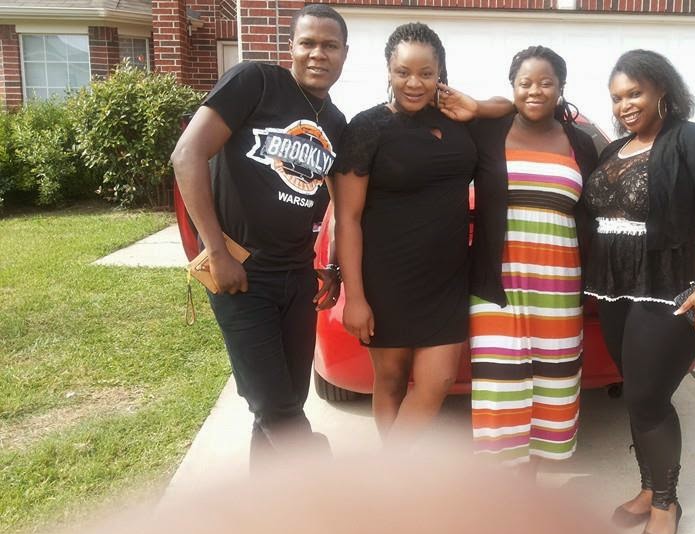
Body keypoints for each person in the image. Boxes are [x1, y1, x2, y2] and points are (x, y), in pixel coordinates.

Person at [171, 4, 348, 468]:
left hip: (298, 278)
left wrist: (331, 265)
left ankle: (270, 500)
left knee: (282, 405)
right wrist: (216, 252)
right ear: (291, 47)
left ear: (344, 54)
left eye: (330, 45)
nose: (318, 54)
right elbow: (187, 155)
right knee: (277, 409)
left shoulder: (335, 122)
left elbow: (342, 206)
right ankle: (329, 484)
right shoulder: (255, 82)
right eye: (308, 43)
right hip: (241, 274)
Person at [582, 49, 695, 534]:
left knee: (649, 397)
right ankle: (650, 488)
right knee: (635, 392)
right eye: (617, 98)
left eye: (635, 93)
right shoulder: (615, 149)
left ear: (662, 91)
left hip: (669, 290)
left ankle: (667, 504)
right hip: (616, 291)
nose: (625, 105)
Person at [331, 23, 483, 447]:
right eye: (403, 72)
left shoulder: (460, 121)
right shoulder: (368, 127)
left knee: (438, 382)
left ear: (440, 73)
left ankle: (387, 473)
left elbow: (508, 109)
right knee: (392, 380)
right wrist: (355, 298)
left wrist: (475, 106)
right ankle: (395, 475)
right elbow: (348, 217)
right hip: (387, 280)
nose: (414, 83)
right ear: (389, 70)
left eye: (425, 73)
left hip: (448, 280)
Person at [467, 46, 597, 470]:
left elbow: (595, 211)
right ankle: (503, 477)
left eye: (545, 82)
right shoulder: (488, 133)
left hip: (559, 284)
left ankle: (538, 473)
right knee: (498, 384)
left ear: (561, 87)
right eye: (525, 83)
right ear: (512, 87)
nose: (535, 91)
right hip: (496, 281)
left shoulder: (580, 143)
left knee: (554, 380)